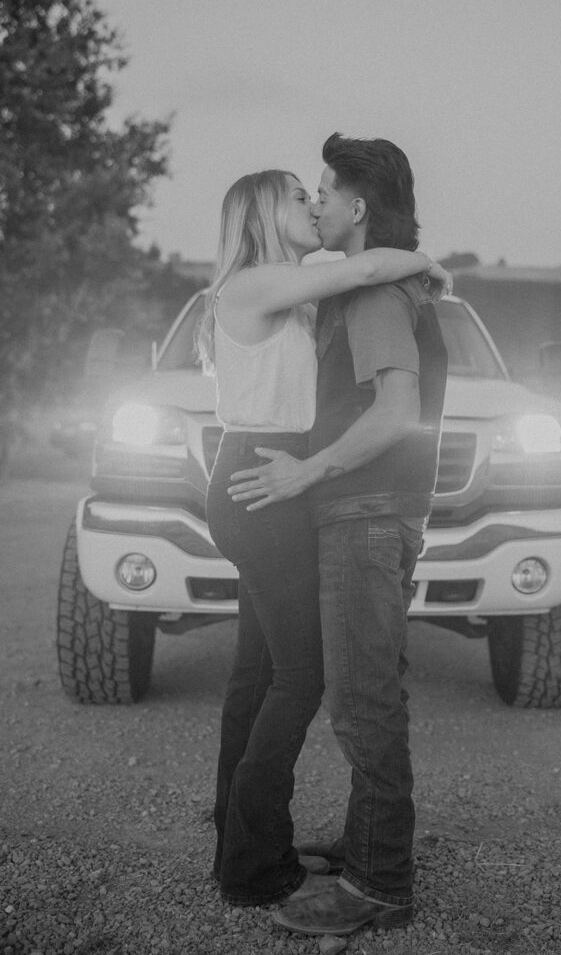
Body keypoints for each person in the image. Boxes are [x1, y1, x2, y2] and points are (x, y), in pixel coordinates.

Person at [195, 168, 450, 908]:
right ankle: (254, 866)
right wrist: (429, 265)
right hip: (262, 480)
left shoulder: (292, 290)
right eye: (297, 197)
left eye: (318, 196)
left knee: (255, 672)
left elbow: (354, 277)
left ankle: (236, 847)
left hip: (269, 477)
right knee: (299, 677)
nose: (311, 206)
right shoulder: (248, 284)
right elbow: (369, 264)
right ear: (260, 214)